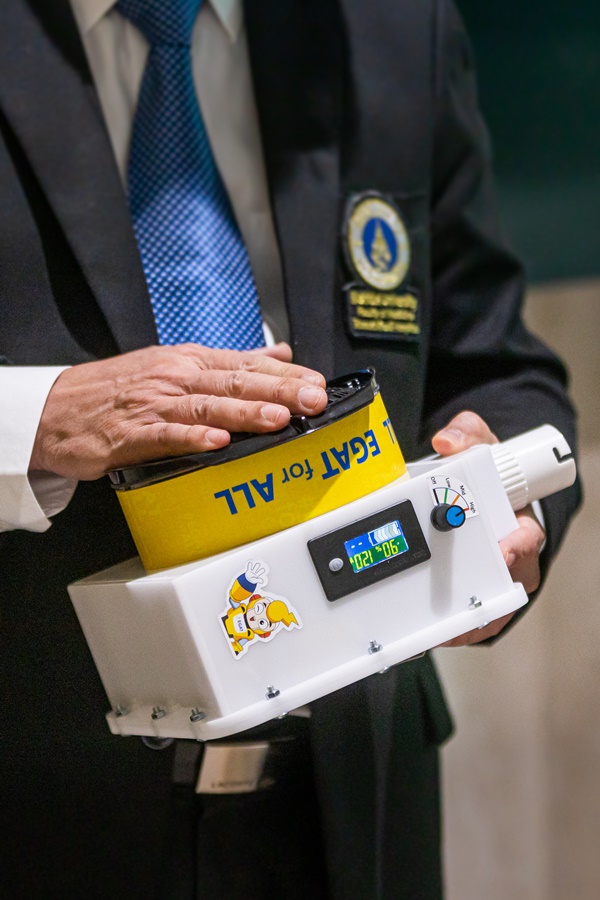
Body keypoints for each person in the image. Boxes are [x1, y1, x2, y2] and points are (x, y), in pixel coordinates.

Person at [0, 1, 580, 898]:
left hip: (352, 810)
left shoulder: (393, 26)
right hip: (38, 811)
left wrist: (501, 491)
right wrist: (33, 417)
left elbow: (494, 360)